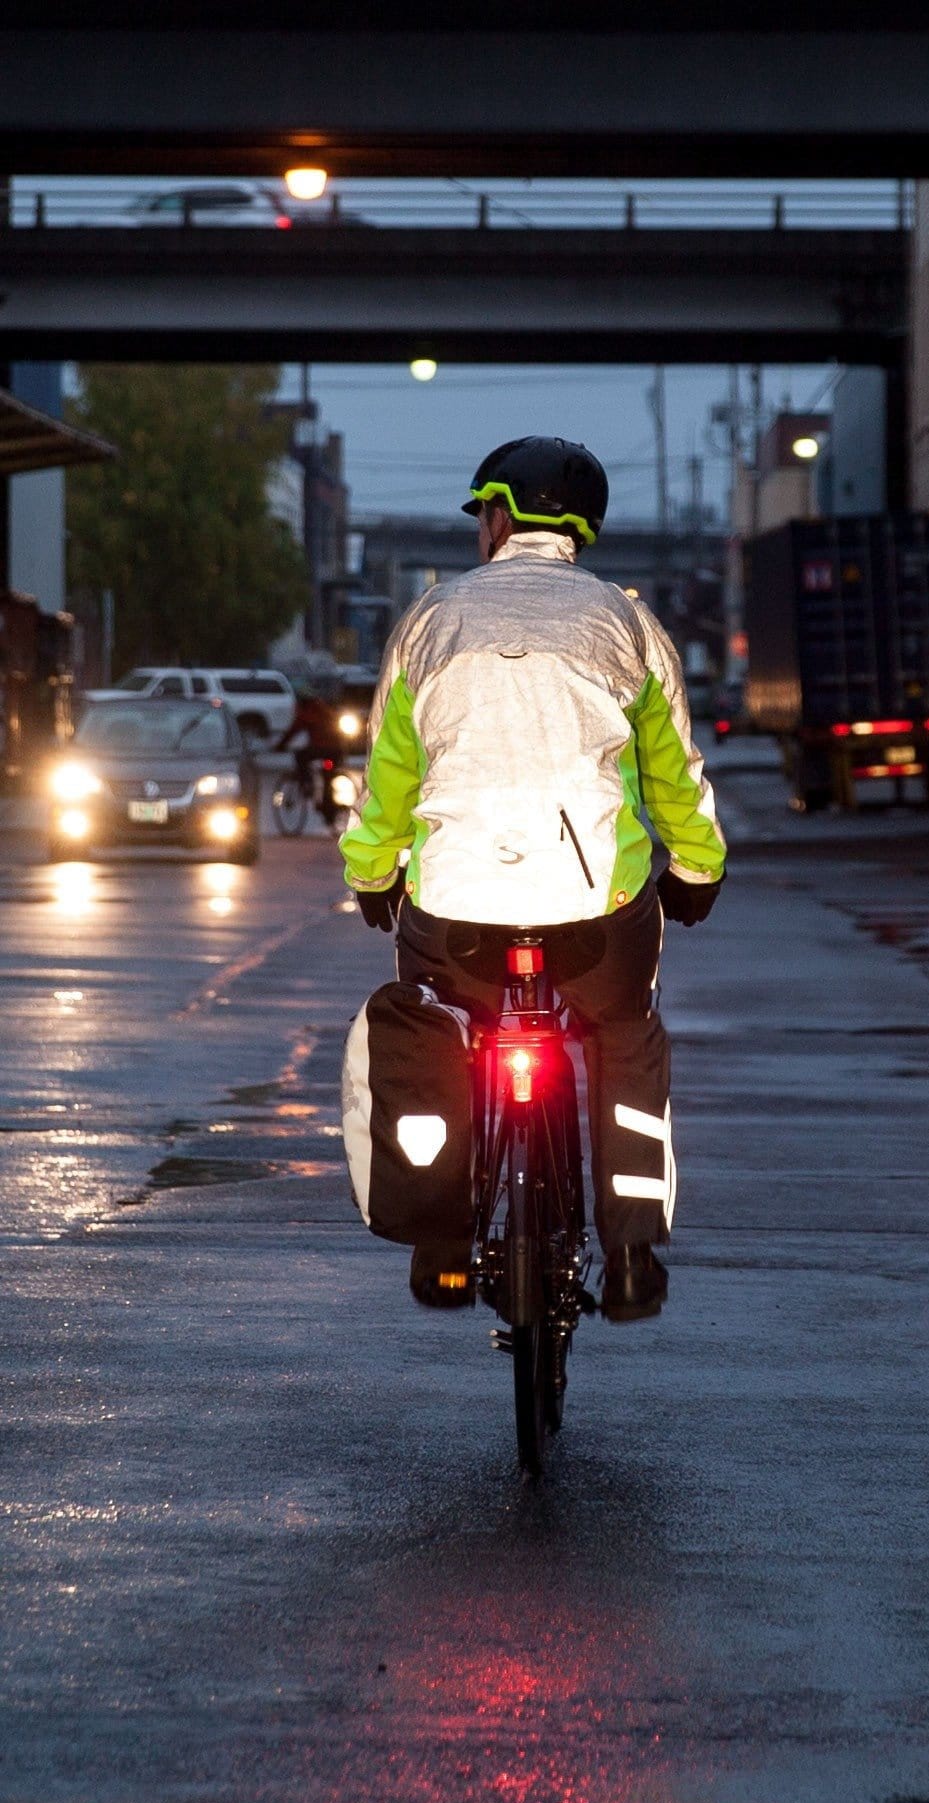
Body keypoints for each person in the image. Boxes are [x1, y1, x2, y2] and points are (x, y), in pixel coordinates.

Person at [340, 436, 726, 1321]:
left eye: (483, 511)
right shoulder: (627, 625)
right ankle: (629, 1254)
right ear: (579, 528)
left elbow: (389, 777)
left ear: (501, 518)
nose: (481, 526)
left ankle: (440, 1242)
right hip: (596, 914)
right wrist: (698, 868)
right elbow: (671, 772)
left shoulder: (431, 621)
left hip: (455, 910)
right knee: (624, 1035)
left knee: (434, 1025)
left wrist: (372, 874)